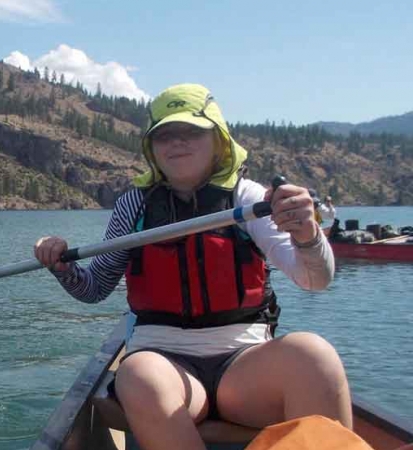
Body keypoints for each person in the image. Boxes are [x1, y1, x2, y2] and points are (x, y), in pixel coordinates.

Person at [33, 84, 349, 450]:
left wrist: (307, 234)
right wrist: (60, 266)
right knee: (138, 374)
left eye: (191, 132)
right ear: (152, 148)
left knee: (315, 355)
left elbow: (315, 279)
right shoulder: (133, 205)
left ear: (218, 140)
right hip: (164, 365)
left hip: (244, 367)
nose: (177, 142)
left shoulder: (247, 198)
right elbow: (94, 288)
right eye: (165, 135)